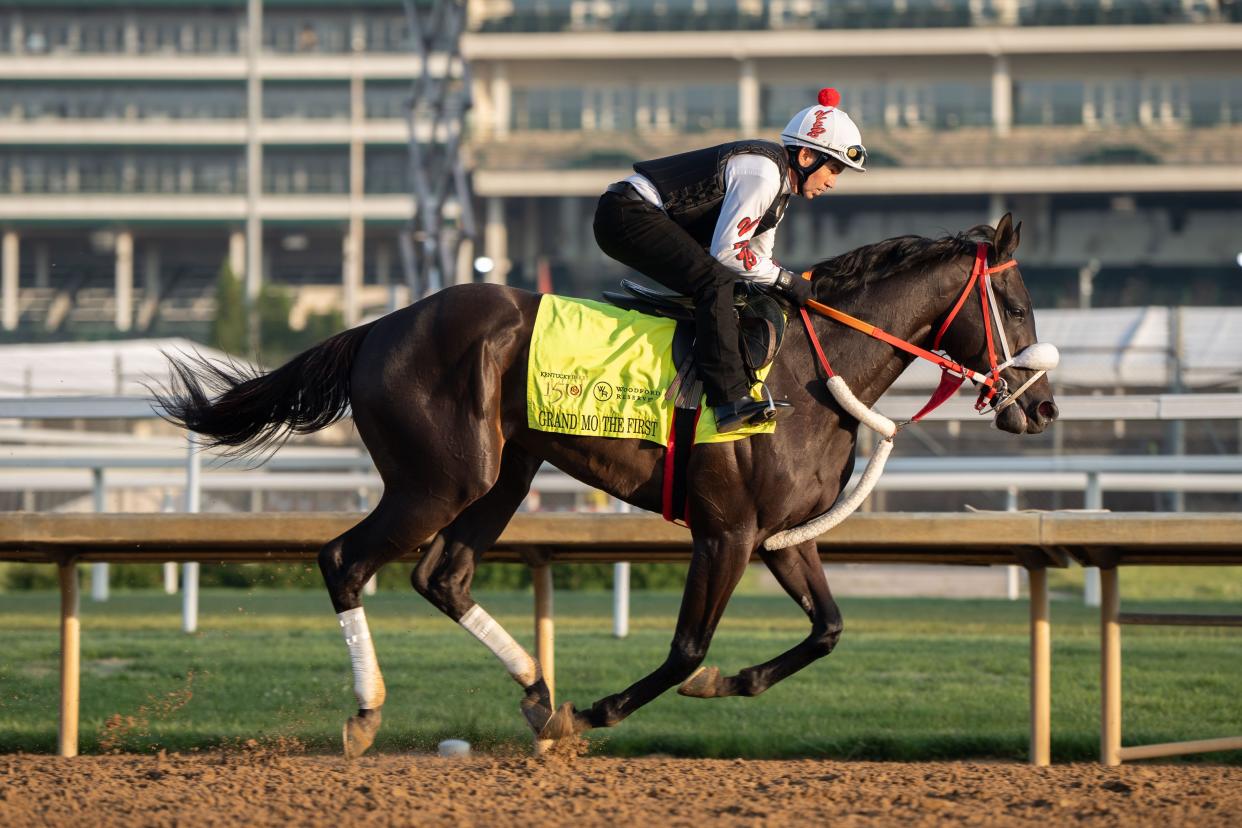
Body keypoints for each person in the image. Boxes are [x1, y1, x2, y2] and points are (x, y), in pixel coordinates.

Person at [594, 88, 867, 432]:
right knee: (716, 280)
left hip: (642, 214)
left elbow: (758, 261)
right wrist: (786, 281)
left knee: (740, 287)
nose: (832, 183)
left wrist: (792, 286)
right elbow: (728, 252)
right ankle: (727, 402)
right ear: (808, 158)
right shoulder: (763, 174)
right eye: (834, 170)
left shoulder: (780, 192)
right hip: (626, 213)